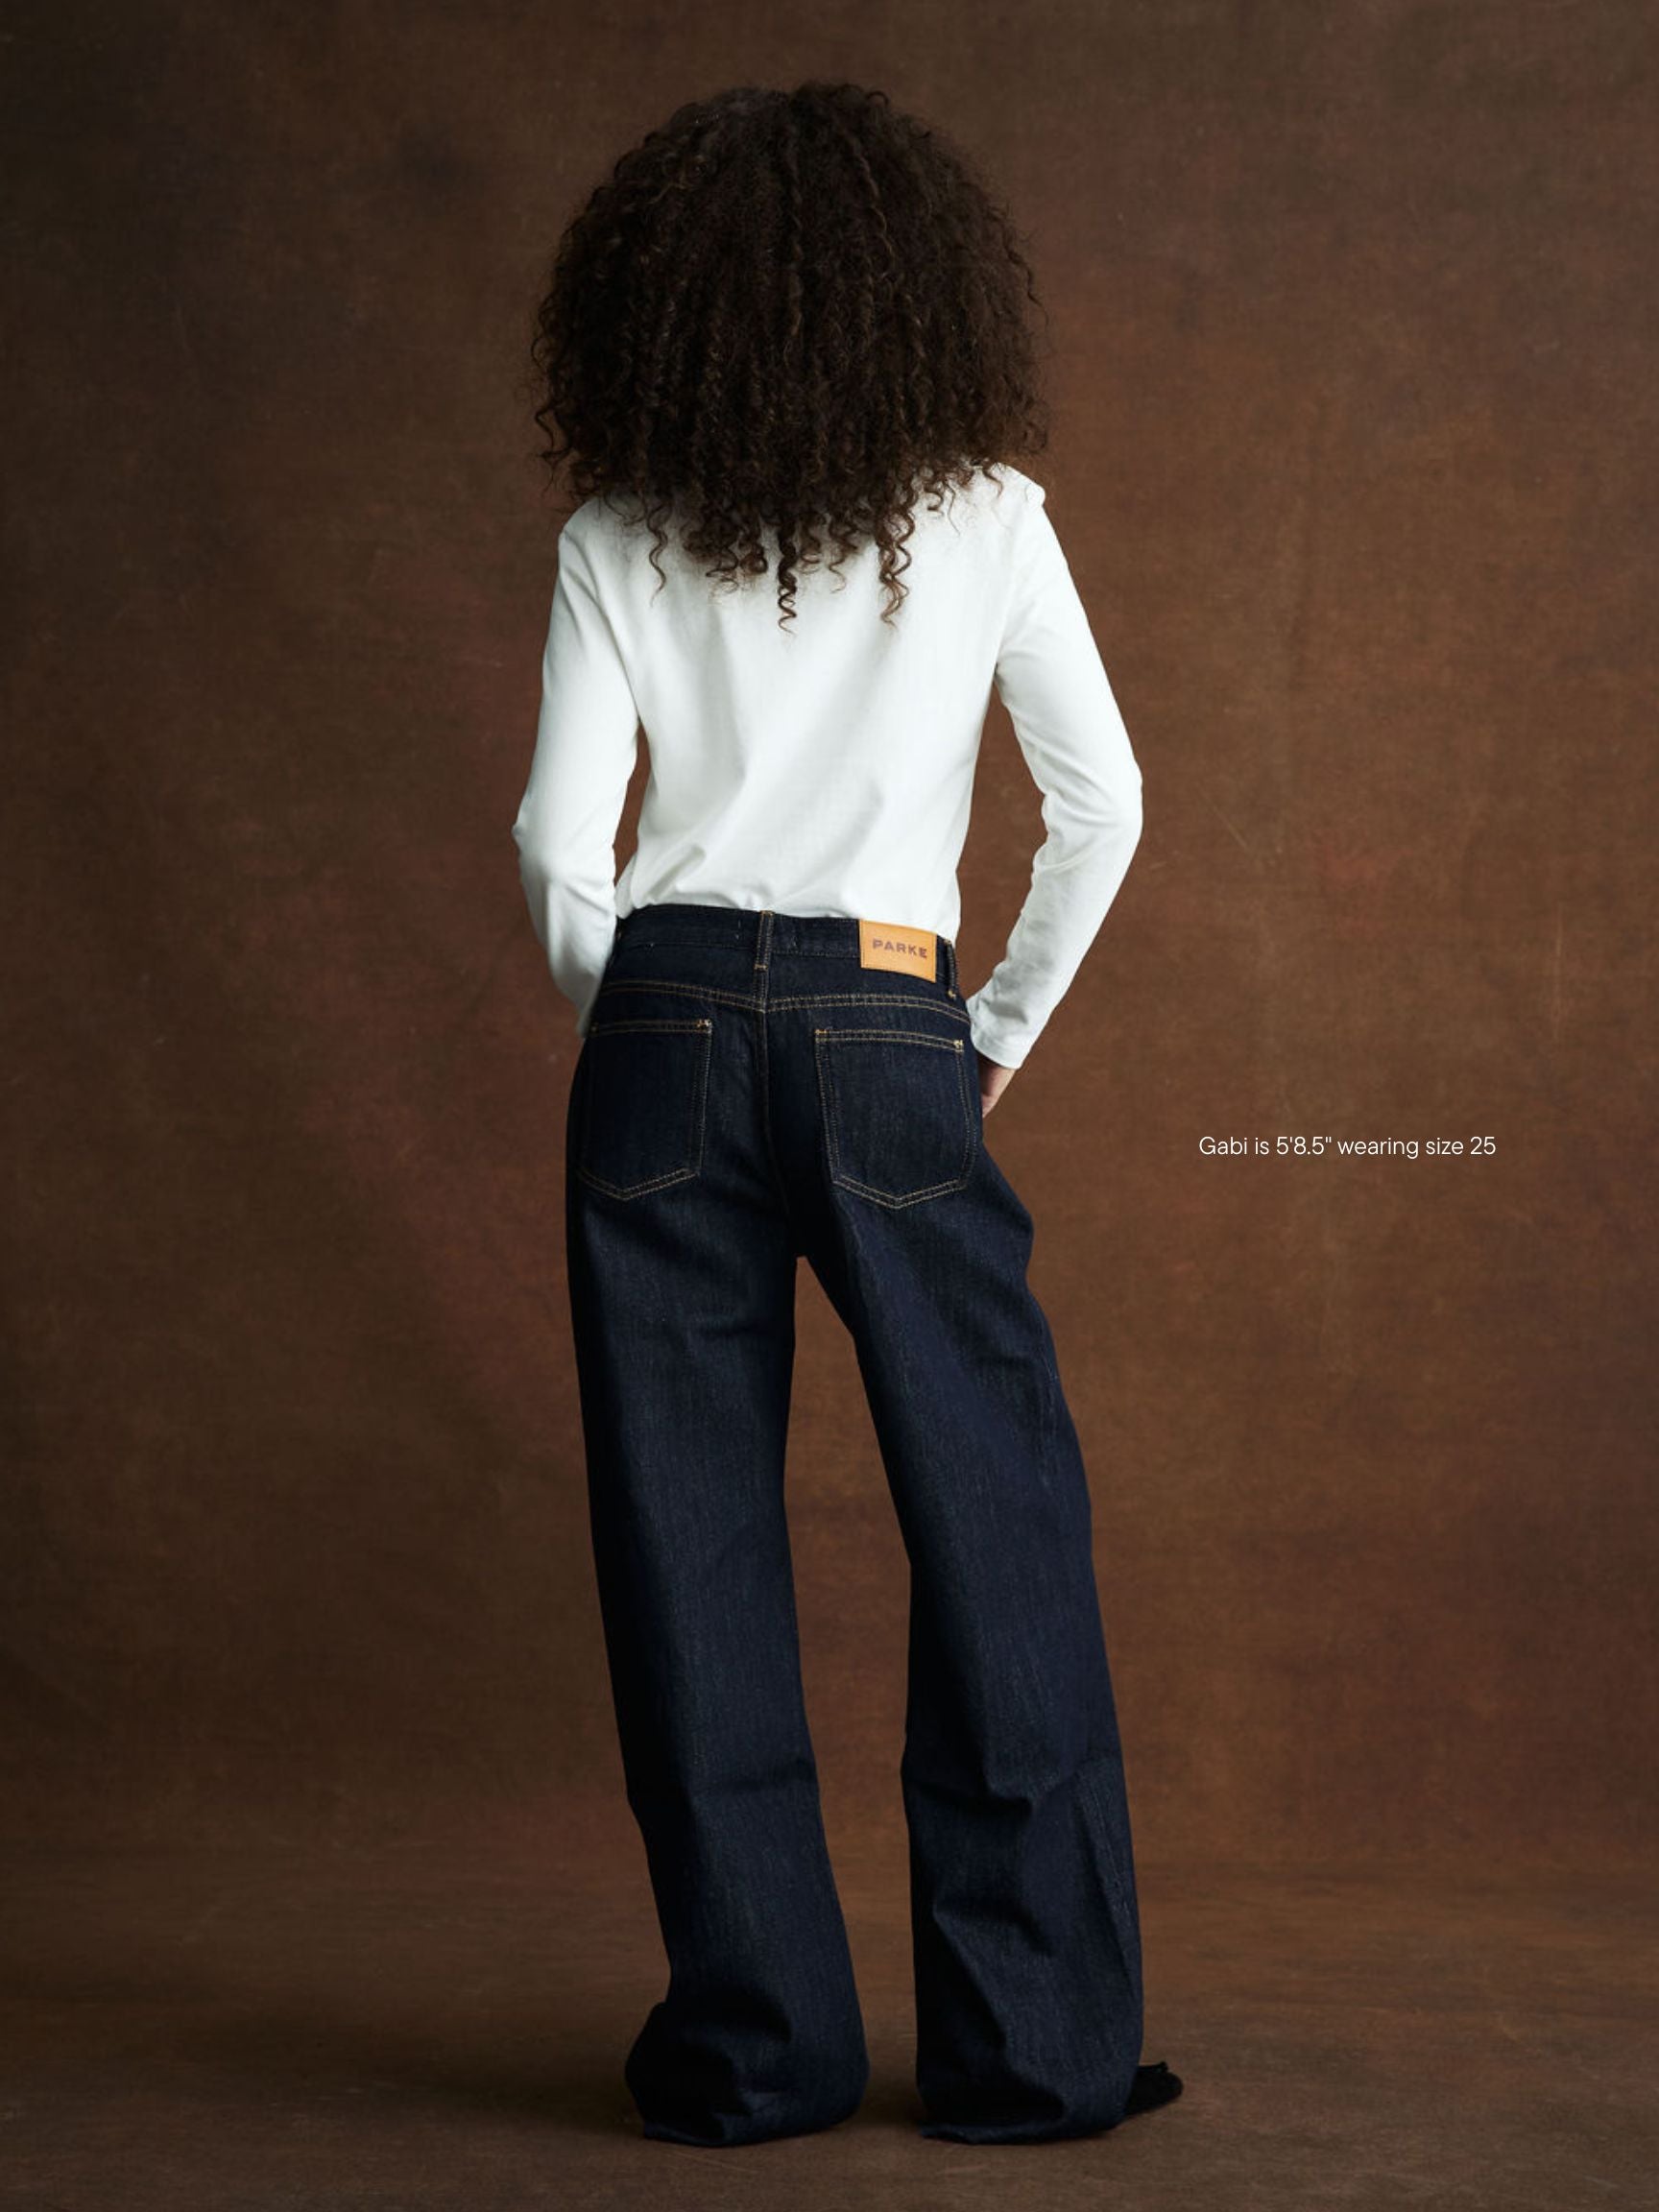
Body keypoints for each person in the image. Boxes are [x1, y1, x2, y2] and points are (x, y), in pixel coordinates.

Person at [511, 80, 1183, 2151]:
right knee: (999, 1517)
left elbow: (555, 848)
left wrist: (653, 1023)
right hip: (897, 1023)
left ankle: (758, 2054)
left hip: (660, 1022)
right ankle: (1037, 2055)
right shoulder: (988, 515)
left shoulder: (616, 533)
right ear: (918, 297)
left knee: (685, 1536)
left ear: (662, 311)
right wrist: (985, 1035)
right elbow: (1104, 805)